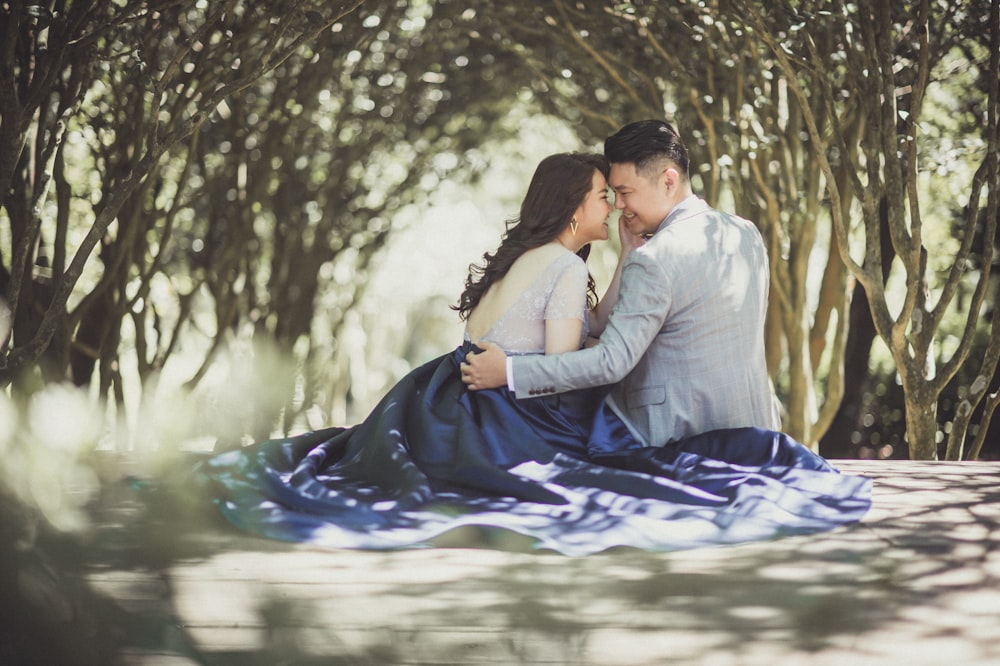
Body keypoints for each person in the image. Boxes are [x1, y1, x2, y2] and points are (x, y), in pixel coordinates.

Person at [198, 150, 871, 556]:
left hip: (447, 398)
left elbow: (564, 329)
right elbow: (560, 370)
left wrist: (619, 277)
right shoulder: (563, 269)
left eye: (617, 194)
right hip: (512, 407)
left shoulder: (532, 257)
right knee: (615, 469)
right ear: (574, 210)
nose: (612, 206)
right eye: (602, 198)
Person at [462, 120, 779, 449]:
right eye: (610, 195)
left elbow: (612, 362)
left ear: (669, 181)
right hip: (756, 429)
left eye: (624, 192)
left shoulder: (656, 258)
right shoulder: (745, 233)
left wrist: (511, 372)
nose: (619, 206)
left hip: (674, 435)